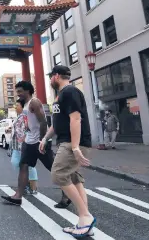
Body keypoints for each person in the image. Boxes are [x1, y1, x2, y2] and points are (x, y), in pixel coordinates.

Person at [41, 65, 95, 238]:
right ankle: (84, 223)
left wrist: (75, 147)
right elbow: (57, 124)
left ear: (56, 76)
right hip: (66, 141)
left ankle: (86, 216)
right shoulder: (60, 96)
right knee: (74, 178)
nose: (50, 80)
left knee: (58, 174)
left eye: (51, 77)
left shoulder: (70, 92)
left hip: (71, 143)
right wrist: (45, 138)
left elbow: (76, 119)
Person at [0, 80, 70, 207]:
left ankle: (67, 194)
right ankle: (18, 196)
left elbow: (43, 122)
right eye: (17, 92)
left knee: (53, 168)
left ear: (28, 91)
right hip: (29, 141)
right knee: (23, 166)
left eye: (20, 91)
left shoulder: (34, 102)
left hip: (39, 141)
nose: (18, 94)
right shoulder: (26, 104)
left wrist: (42, 141)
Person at [9, 98, 38, 195]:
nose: (15, 107)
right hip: (16, 145)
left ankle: (32, 187)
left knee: (28, 166)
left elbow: (29, 130)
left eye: (17, 105)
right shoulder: (19, 116)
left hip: (24, 145)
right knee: (15, 162)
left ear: (22, 107)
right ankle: (25, 183)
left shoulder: (26, 116)